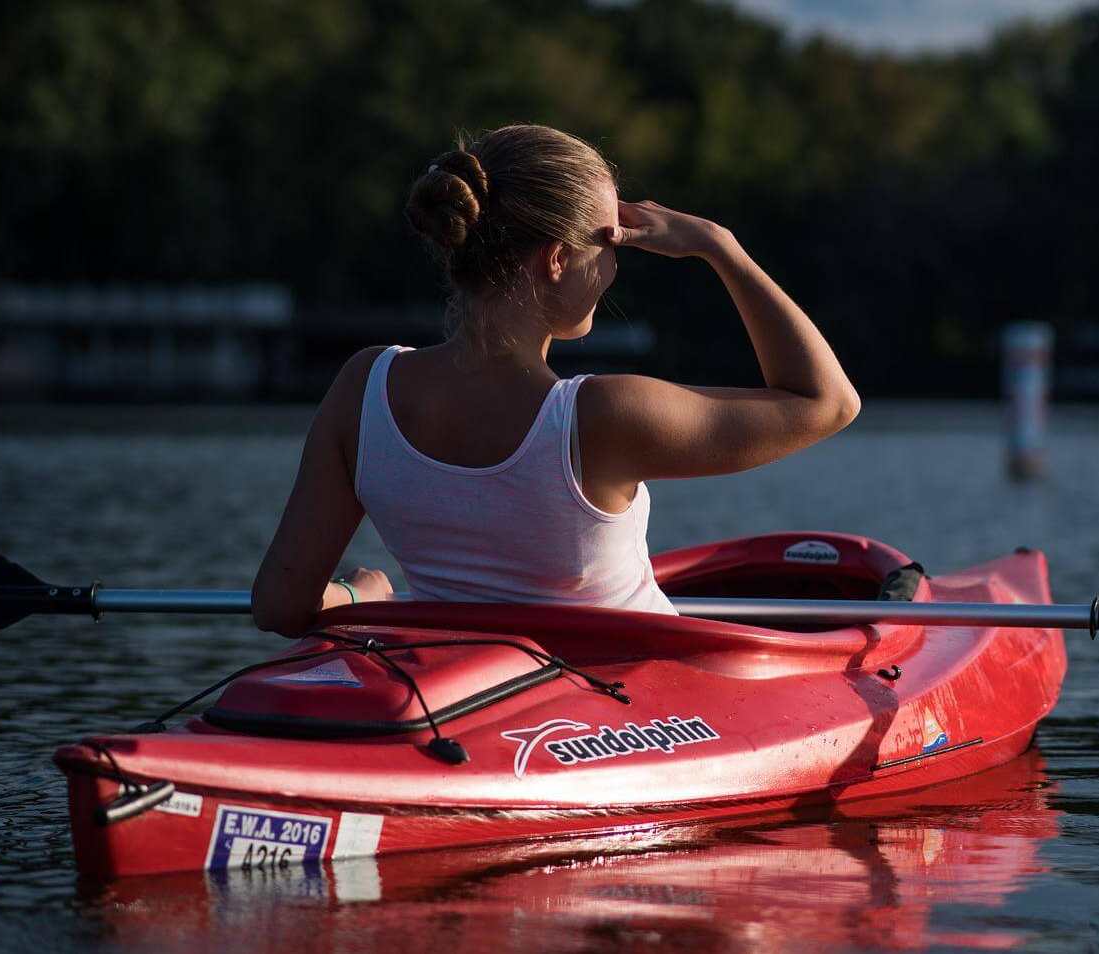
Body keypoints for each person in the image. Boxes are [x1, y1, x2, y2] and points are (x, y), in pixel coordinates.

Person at [250, 124, 860, 637]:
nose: (617, 263)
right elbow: (828, 401)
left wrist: (364, 599)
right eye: (611, 240)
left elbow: (282, 605)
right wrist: (720, 248)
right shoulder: (603, 415)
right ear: (557, 261)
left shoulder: (364, 387)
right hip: (625, 721)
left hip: (475, 705)